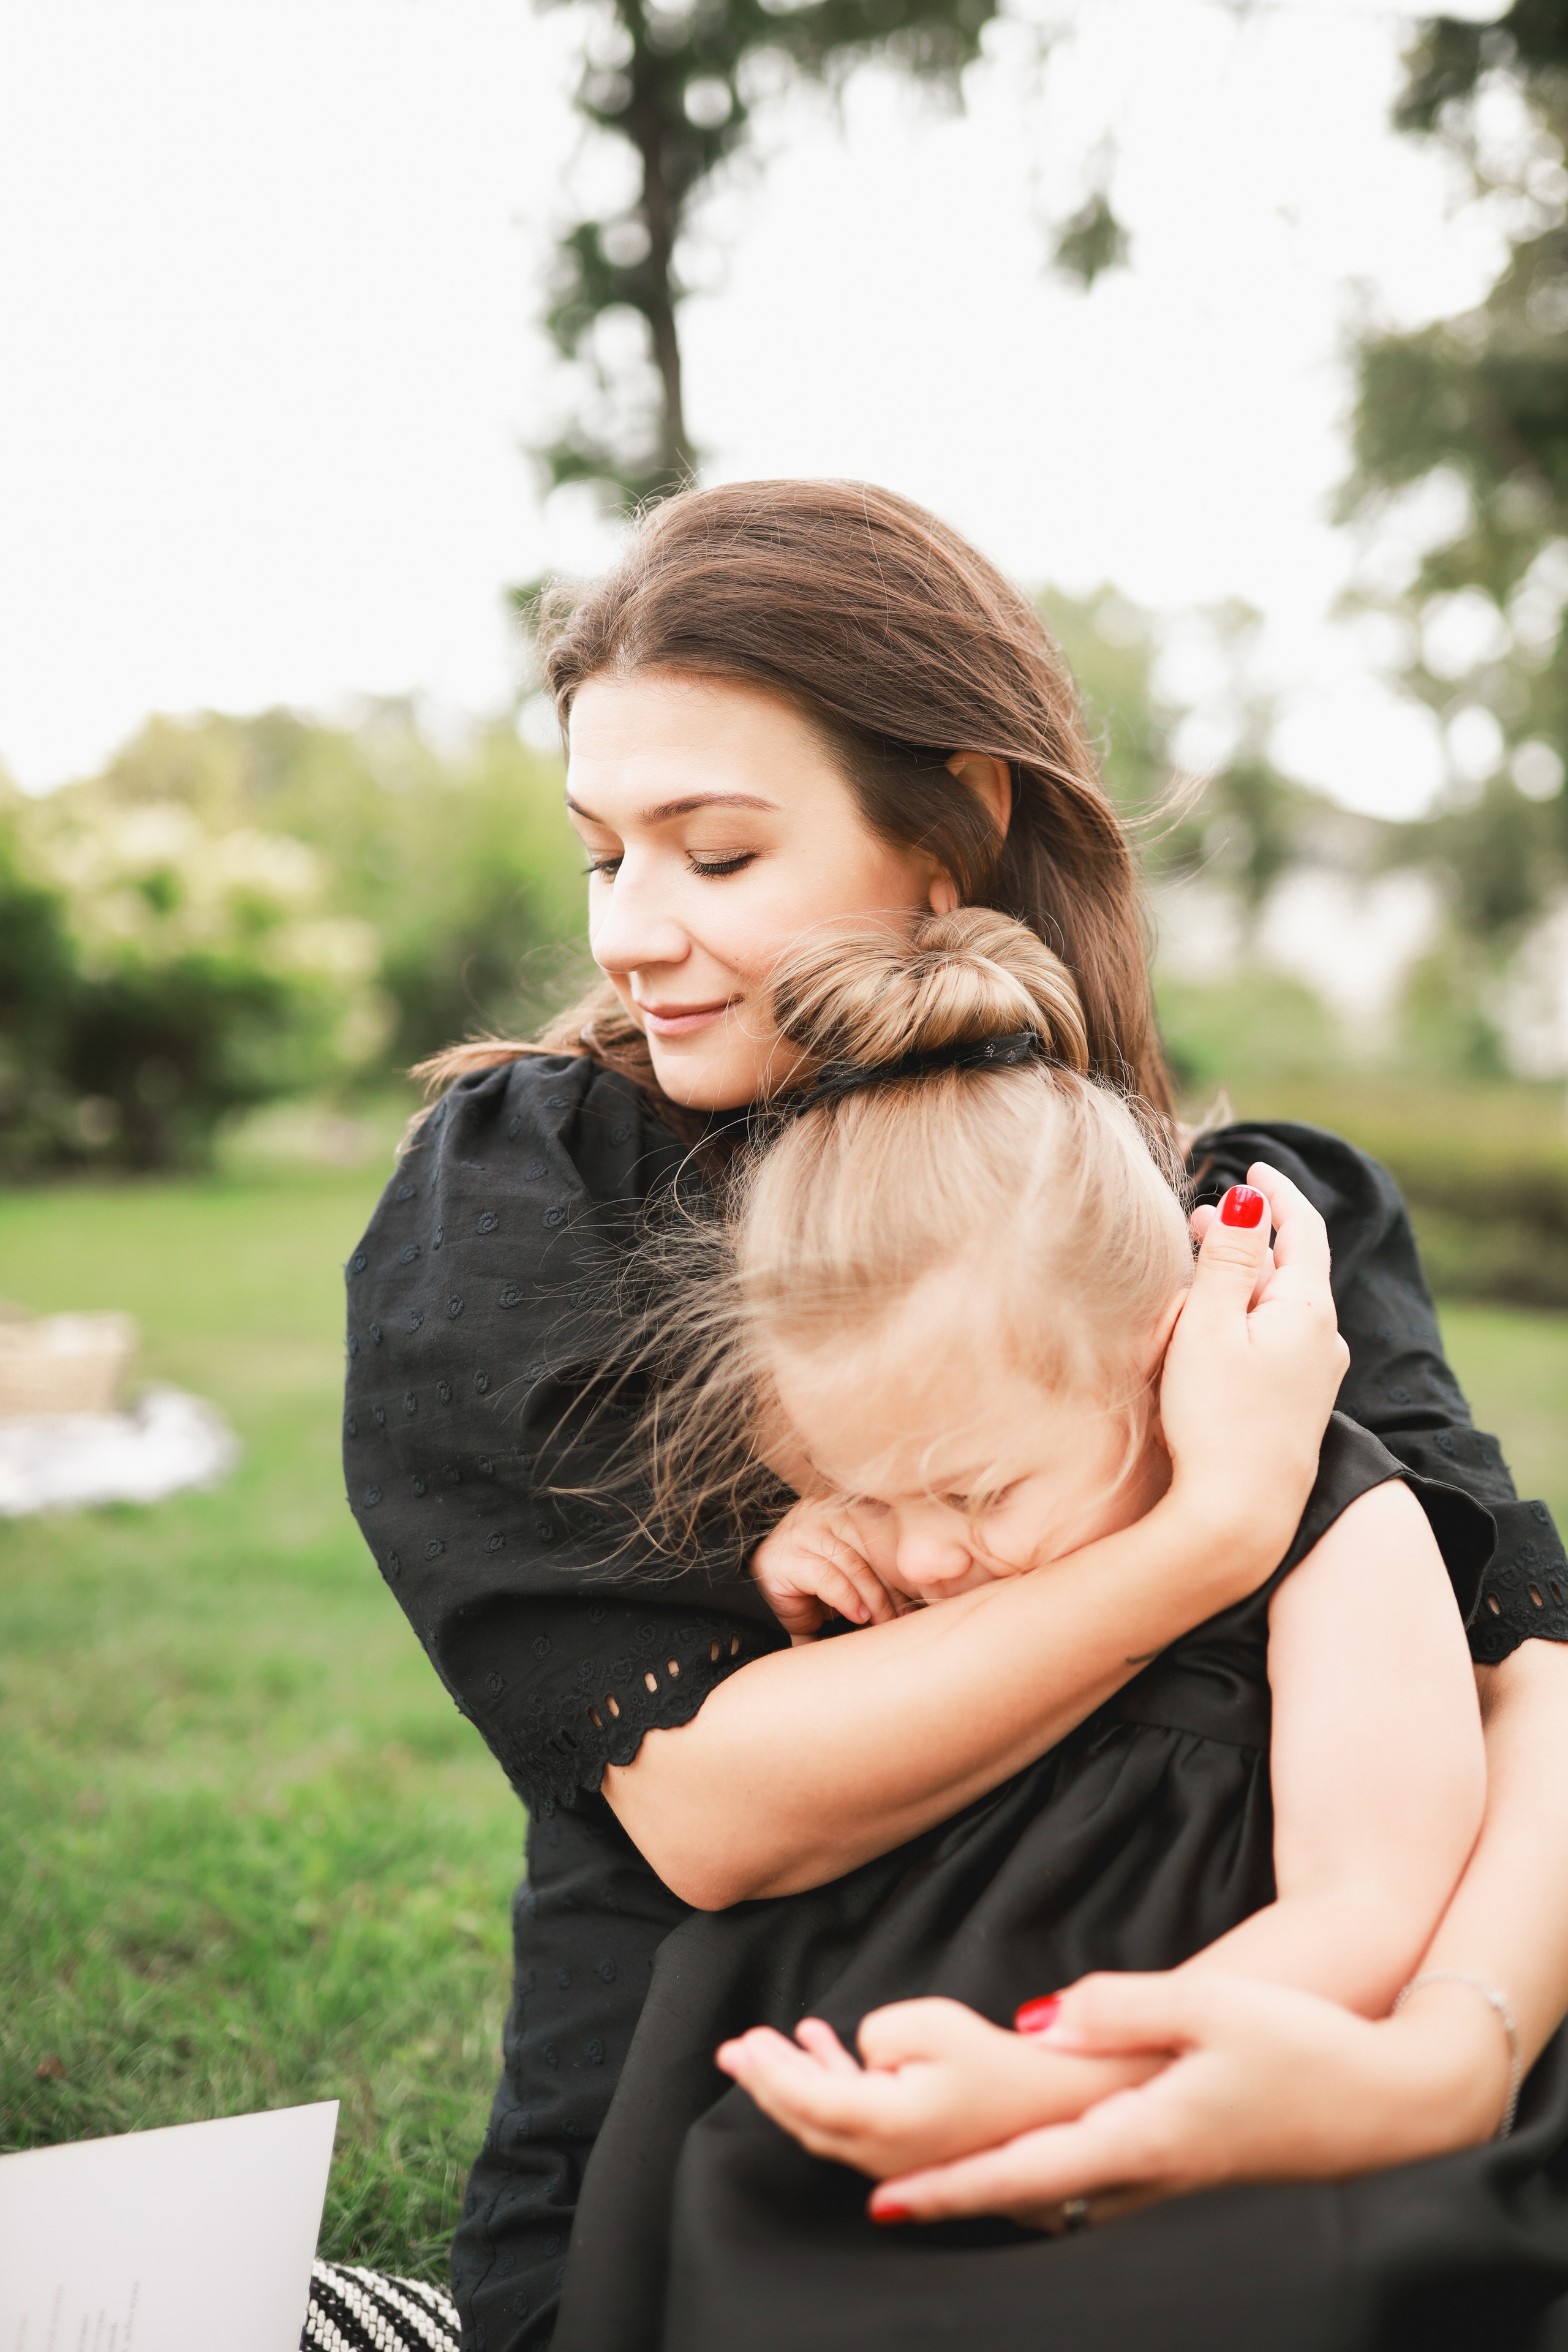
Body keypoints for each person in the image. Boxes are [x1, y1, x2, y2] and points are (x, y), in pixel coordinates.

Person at [339, 480, 1568, 2352]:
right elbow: (717, 1813)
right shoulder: (530, 1188)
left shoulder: (1238, 1222)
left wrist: (1430, 2066)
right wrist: (1211, 1535)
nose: (636, 932)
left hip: (1294, 2072)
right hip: (736, 2139)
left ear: (950, 839)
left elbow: (1524, 1685)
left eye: (717, 855)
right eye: (605, 855)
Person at [539, 907, 1498, 2352]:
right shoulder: (919, 1534)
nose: (923, 1549)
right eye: (861, 1485)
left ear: (1154, 1361)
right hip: (870, 2066)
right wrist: (823, 1587)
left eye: (973, 1489)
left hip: (1202, 2075)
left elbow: (1366, 1904)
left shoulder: (1335, 1532)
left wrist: (1067, 2076)